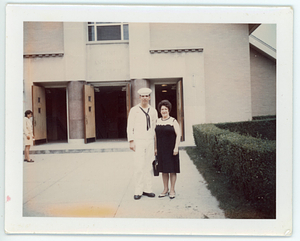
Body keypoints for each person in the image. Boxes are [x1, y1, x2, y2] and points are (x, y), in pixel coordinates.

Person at [127, 87, 158, 200]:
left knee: (148, 165)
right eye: (143, 96)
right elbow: (130, 126)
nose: (145, 98)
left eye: (146, 96)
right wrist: (131, 141)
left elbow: (155, 129)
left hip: (150, 141)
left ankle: (148, 189)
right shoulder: (134, 110)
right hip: (139, 141)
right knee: (139, 166)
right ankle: (138, 190)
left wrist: (156, 145)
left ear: (149, 97)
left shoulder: (153, 111)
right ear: (139, 97)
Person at [155, 100, 181, 199]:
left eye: (165, 109)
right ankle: (165, 189)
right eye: (162, 109)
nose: (164, 111)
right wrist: (155, 148)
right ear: (160, 110)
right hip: (161, 150)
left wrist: (176, 147)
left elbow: (178, 135)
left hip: (171, 150)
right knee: (164, 170)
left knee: (172, 170)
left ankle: (172, 190)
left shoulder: (173, 121)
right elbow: (155, 136)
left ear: (169, 110)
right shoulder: (157, 121)